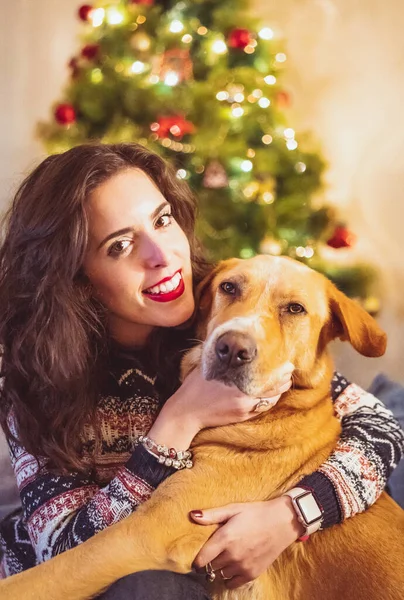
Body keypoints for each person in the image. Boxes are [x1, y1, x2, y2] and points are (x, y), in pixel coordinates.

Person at [0, 143, 402, 599]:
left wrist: (294, 514)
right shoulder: (37, 380)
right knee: (152, 584)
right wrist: (179, 420)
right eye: (120, 245)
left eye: (162, 219)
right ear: (75, 276)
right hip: (85, 574)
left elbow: (379, 424)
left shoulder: (212, 307)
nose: (161, 255)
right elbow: (64, 552)